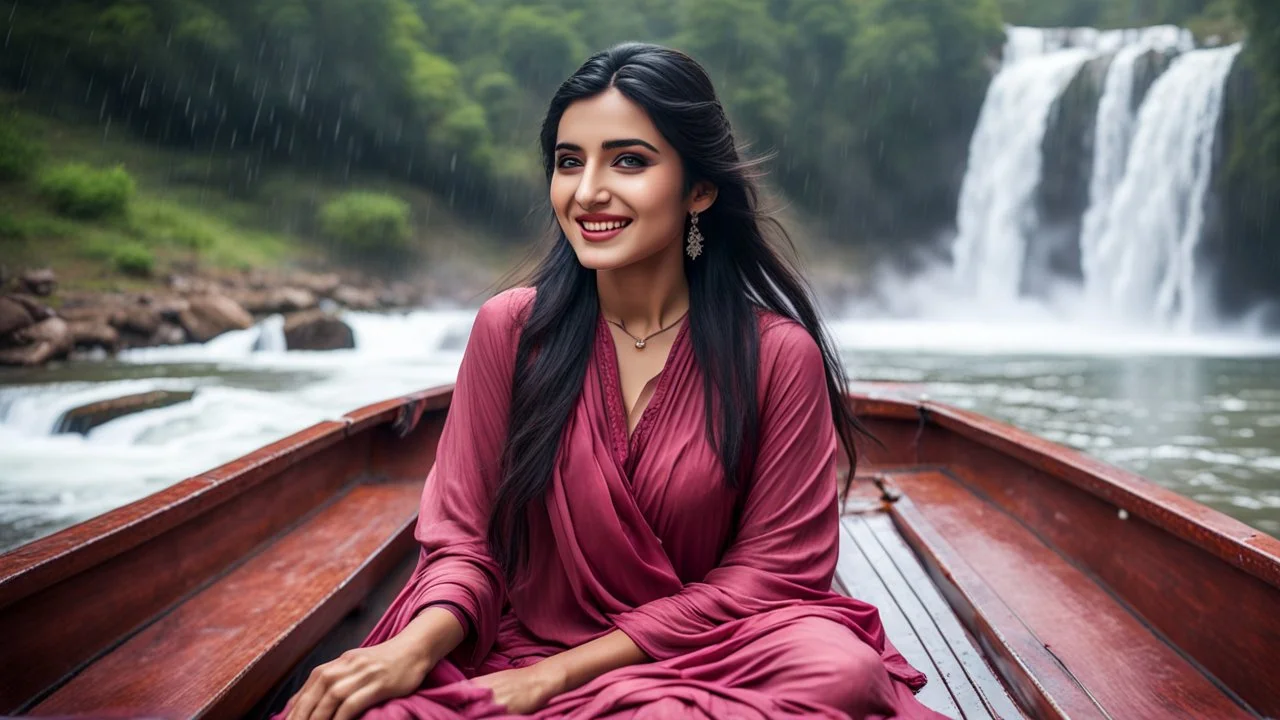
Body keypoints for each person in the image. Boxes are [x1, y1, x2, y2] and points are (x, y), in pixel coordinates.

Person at [279, 43, 947, 720]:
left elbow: (771, 579)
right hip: (530, 642)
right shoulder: (511, 331)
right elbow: (462, 541)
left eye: (628, 160)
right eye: (570, 162)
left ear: (700, 189)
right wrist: (413, 650)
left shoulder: (777, 355)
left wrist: (557, 680)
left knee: (840, 672)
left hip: (719, 646)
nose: (588, 190)